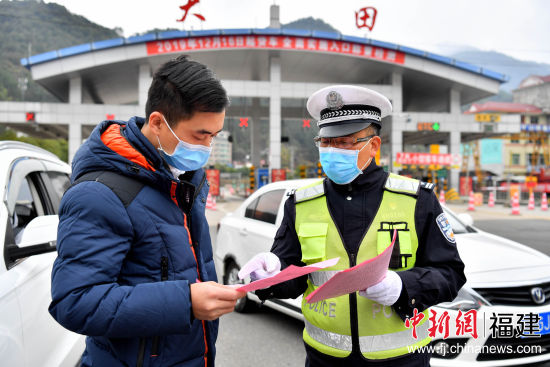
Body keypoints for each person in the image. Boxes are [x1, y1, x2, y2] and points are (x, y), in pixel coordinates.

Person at [239, 85, 466, 367]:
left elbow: (451, 274)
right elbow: (293, 277)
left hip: (402, 361)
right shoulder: (301, 203)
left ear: (374, 145)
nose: (333, 151)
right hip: (324, 359)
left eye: (345, 142)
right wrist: (269, 275)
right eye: (326, 142)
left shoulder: (417, 200)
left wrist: (403, 287)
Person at [49, 55, 245, 367]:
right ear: (157, 122)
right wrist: (186, 302)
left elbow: (182, 267)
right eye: (200, 135)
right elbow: (75, 302)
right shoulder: (99, 194)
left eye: (214, 135)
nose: (207, 147)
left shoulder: (183, 180)